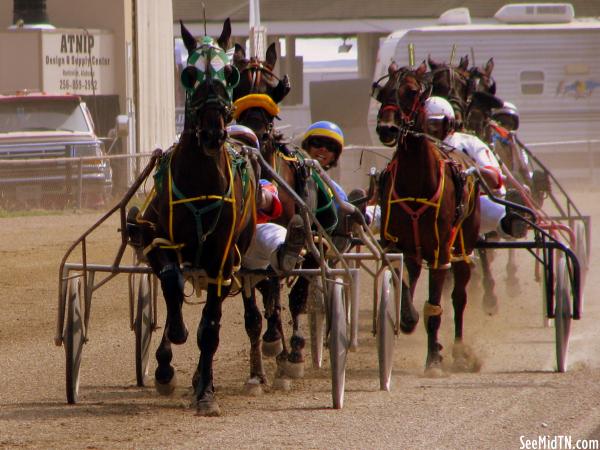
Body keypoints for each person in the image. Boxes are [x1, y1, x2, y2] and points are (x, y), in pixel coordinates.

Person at [423, 96, 527, 238]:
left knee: (495, 211)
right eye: (424, 123)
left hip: (471, 203)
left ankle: (510, 222)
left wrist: (471, 170)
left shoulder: (468, 143)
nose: (428, 129)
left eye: (434, 124)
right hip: (426, 207)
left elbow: (494, 180)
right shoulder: (414, 149)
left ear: (448, 123)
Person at [227, 124, 305, 273]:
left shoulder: (262, 185)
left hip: (248, 247)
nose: (241, 153)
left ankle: (285, 254)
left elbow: (270, 201)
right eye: (235, 147)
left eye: (247, 148)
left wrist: (257, 196)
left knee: (273, 231)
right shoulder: (216, 186)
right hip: (215, 245)